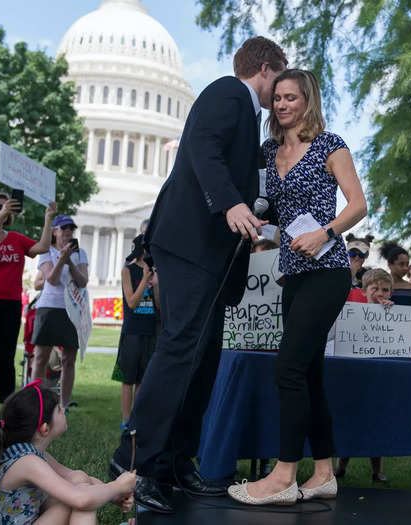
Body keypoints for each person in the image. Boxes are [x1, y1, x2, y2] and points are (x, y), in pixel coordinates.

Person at [109, 37, 288, 514]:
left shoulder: (248, 117)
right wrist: (231, 202)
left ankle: (174, 462)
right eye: (281, 79)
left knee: (203, 359)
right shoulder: (228, 92)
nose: (281, 91)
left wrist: (253, 206)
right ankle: (135, 463)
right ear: (266, 69)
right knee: (180, 350)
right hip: (190, 246)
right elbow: (203, 150)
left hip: (214, 255)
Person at [227, 68, 367, 506]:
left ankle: (283, 474)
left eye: (292, 97)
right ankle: (324, 472)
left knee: (287, 367)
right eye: (279, 98)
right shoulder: (267, 151)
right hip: (291, 273)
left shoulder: (330, 144)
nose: (283, 104)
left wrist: (325, 232)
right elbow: (266, 201)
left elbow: (359, 204)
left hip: (328, 271)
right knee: (308, 373)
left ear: (308, 100)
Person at [0, 379, 136, 524]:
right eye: (59, 409)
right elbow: (81, 499)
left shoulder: (27, 453)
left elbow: (76, 477)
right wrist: (117, 486)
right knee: (80, 500)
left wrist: (114, 496)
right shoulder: (27, 462)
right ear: (44, 428)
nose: (64, 409)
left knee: (78, 478)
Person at [0, 193, 56, 412]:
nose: (3, 210)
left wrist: (49, 218)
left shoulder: (15, 238)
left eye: (7, 207)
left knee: (5, 357)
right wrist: (2, 213)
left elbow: (41, 247)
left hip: (8, 304)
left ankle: (7, 405)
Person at [334, 269, 391, 482]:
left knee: (375, 423)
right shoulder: (353, 310)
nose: (380, 293)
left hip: (379, 377)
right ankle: (340, 467)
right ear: (364, 290)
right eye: (374, 288)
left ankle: (377, 470)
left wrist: (388, 312)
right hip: (354, 373)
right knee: (350, 421)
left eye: (385, 290)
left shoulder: (392, 312)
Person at [31, 215, 89, 409]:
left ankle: (63, 404)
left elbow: (82, 282)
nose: (68, 232)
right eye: (64, 228)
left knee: (68, 359)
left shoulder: (80, 253)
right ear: (54, 231)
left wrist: (70, 261)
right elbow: (52, 279)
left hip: (71, 309)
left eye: (71, 228)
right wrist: (61, 258)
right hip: (49, 307)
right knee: (41, 358)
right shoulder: (45, 251)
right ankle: (35, 400)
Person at [112, 234, 159, 431]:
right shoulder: (128, 270)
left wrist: (155, 284)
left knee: (142, 379)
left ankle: (137, 418)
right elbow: (131, 303)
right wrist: (144, 280)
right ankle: (125, 419)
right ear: (142, 250)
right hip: (132, 331)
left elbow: (158, 306)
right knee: (128, 379)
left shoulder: (157, 273)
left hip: (150, 331)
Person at [380, 241, 411, 306]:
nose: (405, 268)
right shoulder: (378, 287)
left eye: (407, 264)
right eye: (401, 264)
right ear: (390, 265)